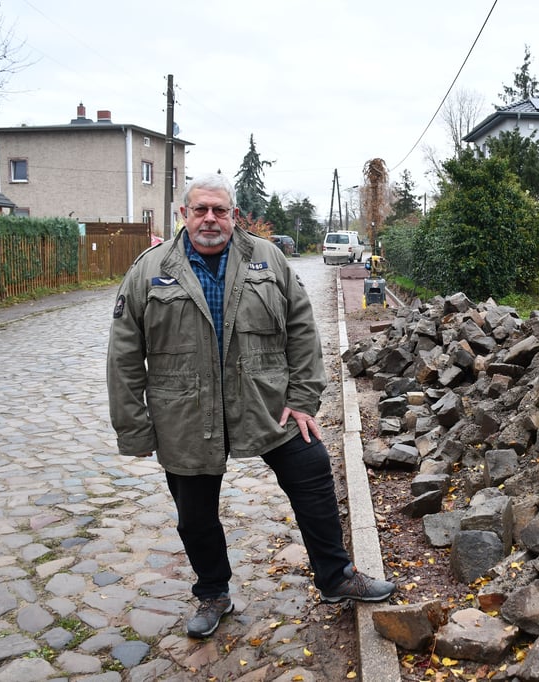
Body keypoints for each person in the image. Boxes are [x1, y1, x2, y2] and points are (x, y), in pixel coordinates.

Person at [106, 172, 395, 639]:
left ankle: (336, 576)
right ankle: (213, 593)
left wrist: (302, 399)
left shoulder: (268, 258)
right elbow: (123, 353)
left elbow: (302, 329)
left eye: (219, 210)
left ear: (234, 214)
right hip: (184, 413)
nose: (210, 219)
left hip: (266, 402)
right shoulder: (149, 269)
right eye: (200, 209)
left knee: (313, 472)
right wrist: (134, 427)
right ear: (184, 214)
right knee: (194, 515)